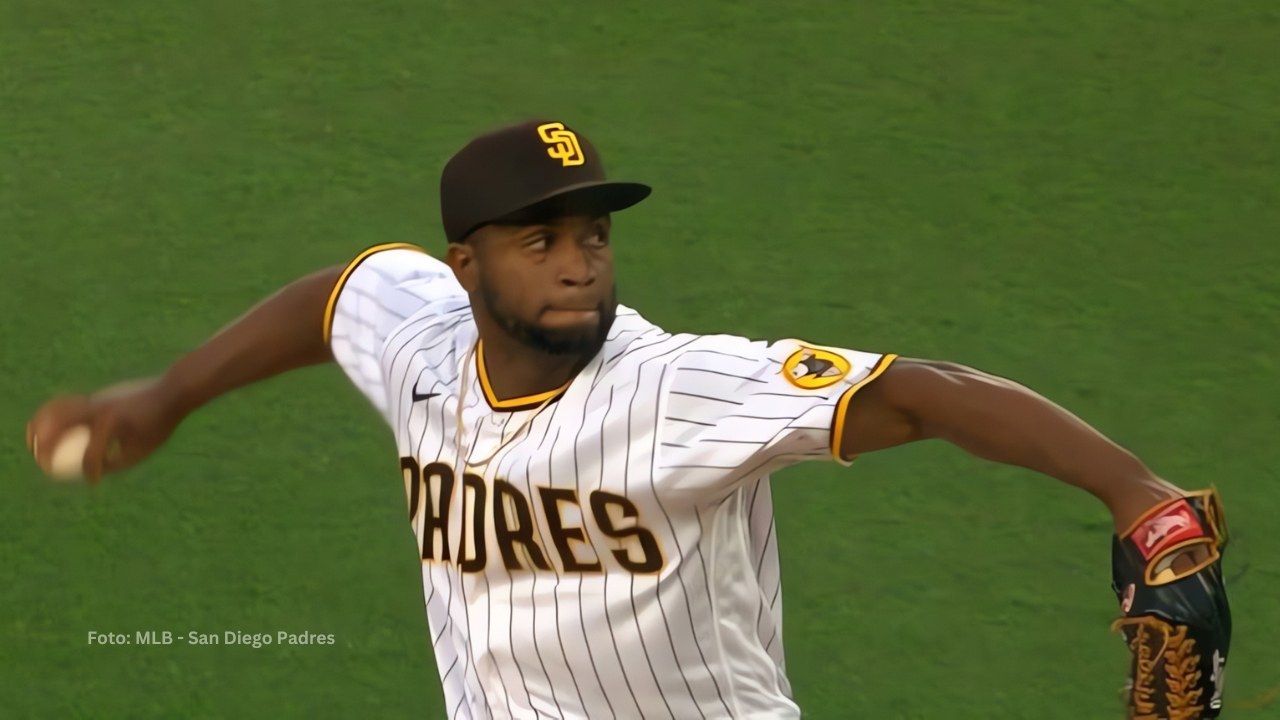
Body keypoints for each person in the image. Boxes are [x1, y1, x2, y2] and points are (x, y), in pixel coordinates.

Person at [27, 119, 1232, 718]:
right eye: (539, 239)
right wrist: (171, 394)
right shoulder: (423, 339)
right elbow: (340, 291)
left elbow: (925, 392)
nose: (577, 265)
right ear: (466, 266)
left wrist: (1137, 498)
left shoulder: (679, 389)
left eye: (593, 236)